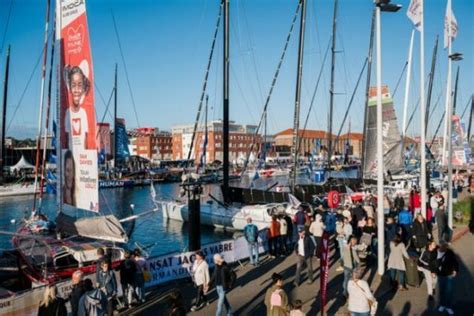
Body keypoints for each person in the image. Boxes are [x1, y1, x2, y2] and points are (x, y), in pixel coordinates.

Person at [64, 64, 91, 150]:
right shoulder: (67, 113)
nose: (76, 90)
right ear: (70, 88)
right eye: (74, 85)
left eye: (79, 85)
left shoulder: (83, 113)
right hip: (70, 157)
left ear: (83, 88)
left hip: (82, 158)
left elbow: (86, 138)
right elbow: (66, 138)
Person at [436, 240, 459, 315]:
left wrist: (455, 270)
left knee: (449, 291)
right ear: (440, 246)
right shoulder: (435, 252)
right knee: (442, 291)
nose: (445, 247)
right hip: (440, 275)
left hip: (449, 274)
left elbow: (455, 262)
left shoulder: (449, 252)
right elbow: (432, 262)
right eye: (443, 246)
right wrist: (433, 271)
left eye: (445, 246)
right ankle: (442, 305)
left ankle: (448, 306)